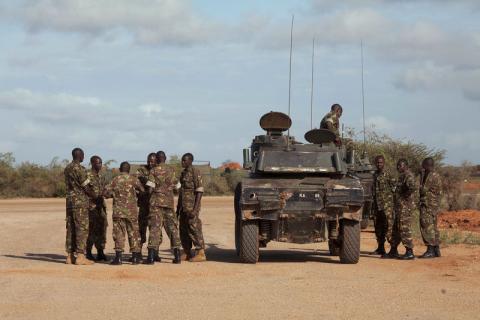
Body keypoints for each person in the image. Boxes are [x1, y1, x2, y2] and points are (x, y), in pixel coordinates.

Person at [143, 151, 182, 264]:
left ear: (157, 159)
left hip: (156, 204)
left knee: (155, 229)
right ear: (165, 158)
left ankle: (150, 258)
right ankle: (177, 256)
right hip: (169, 204)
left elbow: (150, 188)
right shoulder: (171, 170)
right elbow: (178, 187)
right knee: (173, 229)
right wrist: (170, 192)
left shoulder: (154, 170)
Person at [104, 162, 145, 265]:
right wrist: (135, 194)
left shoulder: (115, 180)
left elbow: (105, 193)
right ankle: (135, 257)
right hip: (132, 212)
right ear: (129, 169)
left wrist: (114, 195)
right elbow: (143, 191)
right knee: (134, 233)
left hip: (118, 212)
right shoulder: (134, 179)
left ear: (119, 169)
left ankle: (118, 258)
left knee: (119, 234)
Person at [64, 147, 95, 265]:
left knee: (70, 228)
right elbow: (85, 186)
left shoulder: (67, 168)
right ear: (79, 155)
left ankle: (70, 256)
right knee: (81, 228)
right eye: (83, 155)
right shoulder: (80, 169)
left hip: (70, 202)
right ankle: (81, 256)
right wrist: (94, 196)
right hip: (80, 202)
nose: (83, 157)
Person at [177, 153, 206, 262]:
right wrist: (178, 208)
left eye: (185, 160)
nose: (182, 162)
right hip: (183, 208)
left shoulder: (195, 172)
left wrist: (195, 209)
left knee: (194, 228)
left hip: (192, 207)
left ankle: (200, 252)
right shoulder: (183, 173)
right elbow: (181, 192)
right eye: (182, 160)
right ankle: (187, 252)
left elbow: (199, 191)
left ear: (190, 161)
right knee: (183, 229)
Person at [387, 159, 416, 260]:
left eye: (401, 165)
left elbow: (412, 187)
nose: (398, 167)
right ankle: (393, 250)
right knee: (395, 228)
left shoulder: (408, 175)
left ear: (406, 166)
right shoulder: (402, 176)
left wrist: (404, 197)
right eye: (398, 165)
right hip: (399, 207)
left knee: (404, 228)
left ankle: (409, 251)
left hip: (405, 207)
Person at [372, 155, 396, 256]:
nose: (379, 164)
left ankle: (393, 250)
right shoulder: (374, 175)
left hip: (387, 206)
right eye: (377, 162)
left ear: (384, 163)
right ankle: (380, 248)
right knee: (378, 227)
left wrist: (392, 203)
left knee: (389, 227)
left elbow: (394, 188)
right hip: (377, 206)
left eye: (381, 162)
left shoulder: (389, 174)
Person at [86, 155, 108, 262]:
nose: (100, 165)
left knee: (102, 229)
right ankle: (88, 252)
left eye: (101, 162)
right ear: (92, 163)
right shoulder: (87, 175)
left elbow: (104, 188)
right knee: (91, 230)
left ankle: (100, 252)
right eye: (98, 163)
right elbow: (85, 190)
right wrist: (94, 198)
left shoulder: (102, 176)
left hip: (101, 207)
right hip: (91, 207)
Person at [419, 157, 442, 258]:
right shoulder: (436, 175)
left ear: (428, 165)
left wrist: (420, 178)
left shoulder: (431, 176)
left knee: (427, 226)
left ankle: (430, 250)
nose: (422, 167)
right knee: (433, 226)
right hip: (434, 205)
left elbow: (423, 190)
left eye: (423, 165)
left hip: (428, 205)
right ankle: (436, 249)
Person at [135, 153, 157, 258]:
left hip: (155, 206)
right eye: (148, 160)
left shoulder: (159, 170)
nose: (150, 163)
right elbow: (137, 181)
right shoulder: (141, 170)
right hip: (144, 204)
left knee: (155, 230)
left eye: (152, 161)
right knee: (141, 228)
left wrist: (146, 181)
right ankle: (138, 252)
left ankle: (154, 253)